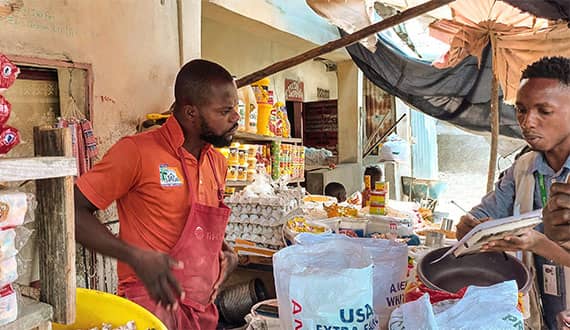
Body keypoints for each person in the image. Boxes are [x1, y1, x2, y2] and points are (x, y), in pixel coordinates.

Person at [74, 59, 240, 329]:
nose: (236, 118)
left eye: (236, 108)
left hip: (202, 311)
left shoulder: (216, 163)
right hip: (151, 308)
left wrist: (226, 253)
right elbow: (73, 211)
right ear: (190, 113)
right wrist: (134, 256)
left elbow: (195, 227)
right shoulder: (136, 152)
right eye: (225, 111)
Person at [456, 56, 570, 330]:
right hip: (540, 307)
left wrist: (538, 243)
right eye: (521, 109)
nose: (527, 122)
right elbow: (484, 216)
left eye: (544, 110)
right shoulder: (522, 168)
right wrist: (469, 227)